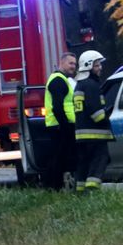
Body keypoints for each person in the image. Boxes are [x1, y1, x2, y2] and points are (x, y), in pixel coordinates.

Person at [72, 50, 113, 191]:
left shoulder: (80, 85)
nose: (100, 68)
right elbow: (97, 113)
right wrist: (107, 117)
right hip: (95, 134)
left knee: (84, 164)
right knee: (99, 161)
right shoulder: (91, 85)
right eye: (97, 65)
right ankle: (92, 190)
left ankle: (80, 190)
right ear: (88, 66)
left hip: (81, 135)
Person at [43, 52, 77, 190]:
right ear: (62, 63)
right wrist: (65, 126)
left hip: (59, 124)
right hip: (59, 125)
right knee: (58, 158)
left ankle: (54, 186)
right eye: (70, 63)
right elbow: (57, 107)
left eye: (75, 64)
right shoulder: (58, 80)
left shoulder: (61, 79)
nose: (73, 67)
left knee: (60, 157)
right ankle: (53, 186)